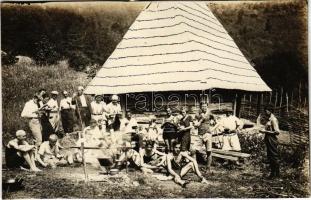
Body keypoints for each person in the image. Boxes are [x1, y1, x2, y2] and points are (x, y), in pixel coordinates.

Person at [259, 106, 280, 179]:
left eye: (267, 110)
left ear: (270, 111)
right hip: (268, 138)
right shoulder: (269, 119)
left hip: (272, 139)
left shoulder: (273, 120)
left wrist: (265, 131)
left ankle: (275, 174)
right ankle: (273, 173)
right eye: (265, 110)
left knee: (273, 156)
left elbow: (277, 132)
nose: (265, 112)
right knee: (270, 156)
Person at [193, 102, 215, 170]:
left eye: (205, 106)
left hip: (207, 134)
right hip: (200, 134)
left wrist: (212, 129)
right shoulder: (197, 114)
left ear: (207, 106)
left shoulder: (210, 113)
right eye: (202, 106)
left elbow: (216, 122)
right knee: (194, 150)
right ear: (200, 107)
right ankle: (194, 166)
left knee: (209, 151)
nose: (204, 108)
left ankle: (208, 167)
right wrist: (195, 124)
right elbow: (194, 123)